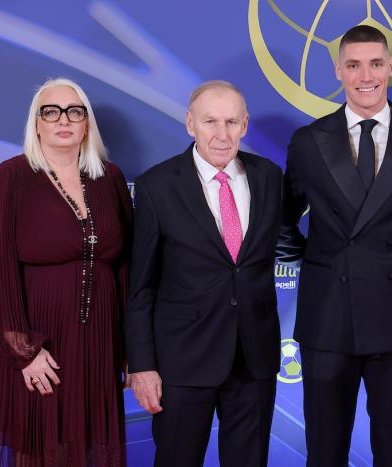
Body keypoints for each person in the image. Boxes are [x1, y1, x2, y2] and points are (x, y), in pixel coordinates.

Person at [277, 25, 392, 466]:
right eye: (353, 65)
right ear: (338, 70)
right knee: (325, 453)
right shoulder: (308, 142)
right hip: (327, 318)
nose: (365, 76)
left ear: (390, 67)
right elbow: (280, 222)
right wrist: (319, 261)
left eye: (375, 64)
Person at [0, 78, 133, 466]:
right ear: (37, 123)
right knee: (40, 447)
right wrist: (24, 352)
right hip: (40, 346)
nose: (63, 120)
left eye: (75, 112)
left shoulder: (109, 178)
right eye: (51, 112)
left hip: (98, 345)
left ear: (87, 124)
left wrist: (129, 347)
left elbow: (127, 264)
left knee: (89, 446)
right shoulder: (11, 178)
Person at [125, 80, 282, 467]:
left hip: (254, 360)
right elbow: (140, 286)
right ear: (190, 123)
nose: (222, 134)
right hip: (182, 361)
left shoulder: (269, 177)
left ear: (245, 125)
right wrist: (142, 365)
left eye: (231, 122)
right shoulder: (157, 185)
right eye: (210, 121)